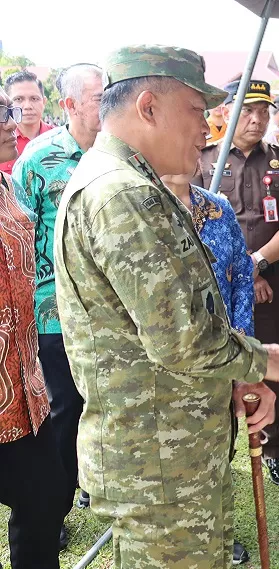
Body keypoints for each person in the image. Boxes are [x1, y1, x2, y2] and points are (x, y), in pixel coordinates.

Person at [54, 44, 279, 567]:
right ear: (148, 107)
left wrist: (238, 375)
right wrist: (263, 361)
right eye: (196, 110)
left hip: (174, 452)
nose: (206, 129)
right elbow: (181, 338)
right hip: (158, 463)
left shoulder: (133, 183)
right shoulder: (121, 193)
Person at [194, 78, 279, 486]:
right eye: (247, 109)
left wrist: (255, 265)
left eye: (263, 110)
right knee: (219, 362)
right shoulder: (202, 160)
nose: (257, 118)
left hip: (275, 280)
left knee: (272, 361)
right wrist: (242, 276)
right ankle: (220, 449)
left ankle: (274, 448)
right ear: (225, 111)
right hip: (215, 284)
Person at [10, 62, 103, 541]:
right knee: (64, 411)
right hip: (54, 314)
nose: (108, 105)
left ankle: (98, 486)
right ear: (69, 105)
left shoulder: (119, 155)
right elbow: (20, 240)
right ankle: (56, 508)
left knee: (105, 403)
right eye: (98, 98)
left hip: (111, 311)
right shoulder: (38, 160)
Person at [160, 169, 256, 565]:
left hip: (223, 359)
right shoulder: (146, 210)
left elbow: (242, 279)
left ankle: (219, 533)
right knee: (177, 462)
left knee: (220, 452)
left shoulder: (217, 208)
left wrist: (242, 353)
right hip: (171, 368)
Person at [0, 84, 69, 569]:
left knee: (45, 498)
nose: (11, 122)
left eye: (8, 112)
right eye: (1, 114)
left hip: (24, 387)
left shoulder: (6, 185)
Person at [1, 71, 53, 174]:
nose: (28, 106)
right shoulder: (4, 143)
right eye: (19, 99)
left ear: (44, 102)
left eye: (34, 99)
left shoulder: (60, 140)